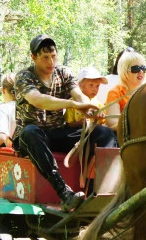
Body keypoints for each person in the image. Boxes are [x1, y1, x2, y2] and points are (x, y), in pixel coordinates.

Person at [14, 34, 118, 212]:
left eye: (53, 56)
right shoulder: (24, 77)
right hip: (30, 138)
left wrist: (90, 109)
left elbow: (78, 95)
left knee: (105, 133)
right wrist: (72, 104)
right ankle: (64, 193)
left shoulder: (64, 72)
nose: (50, 62)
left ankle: (96, 192)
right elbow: (38, 100)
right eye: (45, 57)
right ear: (33, 57)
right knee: (31, 132)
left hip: (56, 132)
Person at [104, 48, 146, 129]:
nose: (141, 71)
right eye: (136, 69)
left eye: (143, 68)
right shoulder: (115, 93)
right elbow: (113, 123)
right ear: (124, 71)